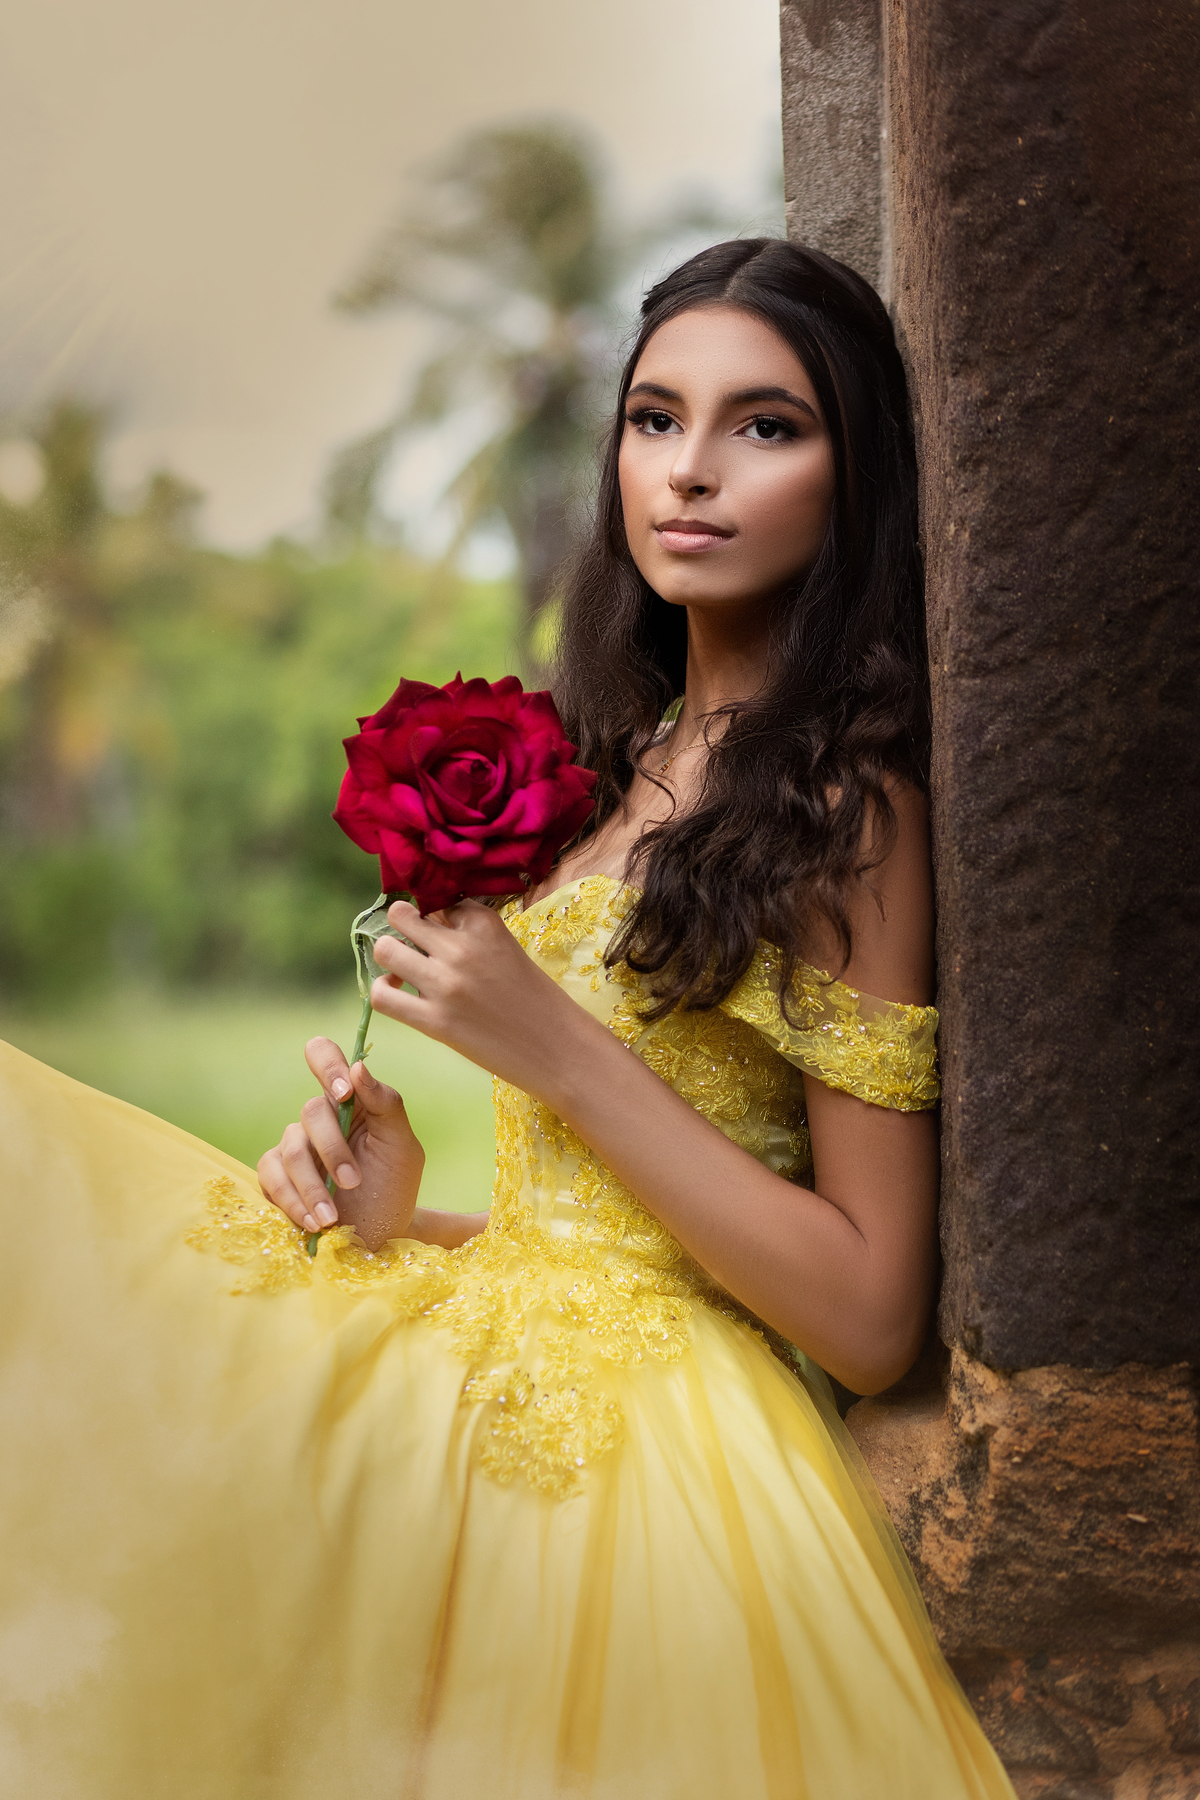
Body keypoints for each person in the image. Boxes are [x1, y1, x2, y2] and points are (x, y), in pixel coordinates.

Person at [0, 239, 1015, 1798]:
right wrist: (410, 1215)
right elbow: (599, 1234)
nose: (689, 471)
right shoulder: (620, 778)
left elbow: (872, 1318)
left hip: (659, 1481)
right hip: (490, 1370)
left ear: (853, 471)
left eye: (765, 425)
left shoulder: (847, 801)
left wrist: (551, 1047)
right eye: (654, 418)